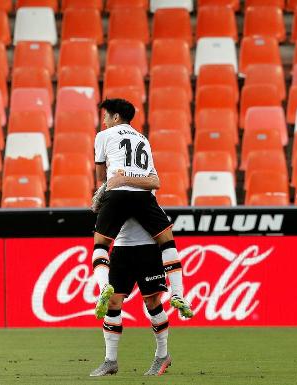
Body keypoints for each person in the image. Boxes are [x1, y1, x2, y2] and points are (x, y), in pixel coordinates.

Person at [91, 99, 193, 321]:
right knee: (167, 241)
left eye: (106, 116)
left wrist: (114, 183)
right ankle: (178, 293)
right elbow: (155, 182)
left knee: (100, 245)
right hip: (144, 196)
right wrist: (132, 178)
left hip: (117, 195)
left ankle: (102, 288)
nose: (105, 121)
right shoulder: (143, 139)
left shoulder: (103, 136)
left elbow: (101, 179)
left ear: (116, 117)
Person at [89, 218, 173, 377]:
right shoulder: (112, 194)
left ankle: (162, 355)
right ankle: (110, 360)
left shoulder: (146, 193)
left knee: (152, 302)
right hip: (121, 249)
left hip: (148, 248)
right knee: (112, 301)